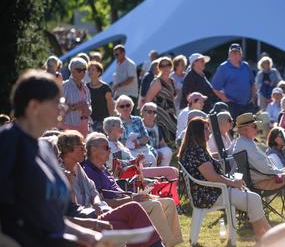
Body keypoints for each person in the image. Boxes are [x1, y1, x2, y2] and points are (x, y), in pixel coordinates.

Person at [0, 70, 102, 246]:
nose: (62, 108)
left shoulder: (46, 148)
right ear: (34, 106)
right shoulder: (7, 144)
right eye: (57, 103)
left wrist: (84, 234)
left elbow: (51, 221)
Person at [56, 130, 165, 247]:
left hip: (96, 212)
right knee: (133, 209)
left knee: (130, 219)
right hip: (85, 219)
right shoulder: (60, 173)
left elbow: (93, 191)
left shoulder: (77, 167)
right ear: (68, 149)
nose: (85, 150)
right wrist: (69, 186)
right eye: (81, 147)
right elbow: (70, 209)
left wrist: (97, 203)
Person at [82, 132, 183, 247]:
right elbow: (104, 201)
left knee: (168, 202)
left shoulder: (103, 168)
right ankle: (161, 243)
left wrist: (136, 196)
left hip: (127, 201)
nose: (110, 151)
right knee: (154, 206)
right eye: (106, 148)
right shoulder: (89, 172)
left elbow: (119, 191)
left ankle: (171, 243)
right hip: (117, 208)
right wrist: (132, 199)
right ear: (93, 150)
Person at [178, 117, 271, 240]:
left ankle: (264, 234)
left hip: (211, 191)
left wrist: (232, 181)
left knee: (252, 197)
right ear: (198, 132)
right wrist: (232, 183)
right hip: (209, 195)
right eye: (206, 129)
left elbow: (212, 175)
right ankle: (267, 234)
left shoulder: (194, 149)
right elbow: (211, 177)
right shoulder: (195, 151)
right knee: (254, 199)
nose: (209, 132)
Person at [102, 117, 178, 180]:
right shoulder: (109, 145)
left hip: (136, 172)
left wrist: (138, 160)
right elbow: (115, 165)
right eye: (119, 125)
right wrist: (136, 160)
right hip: (129, 175)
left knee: (174, 170)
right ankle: (170, 194)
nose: (123, 128)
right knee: (171, 171)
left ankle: (169, 193)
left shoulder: (118, 143)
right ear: (111, 128)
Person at [232, 113, 285, 190]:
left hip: (259, 179)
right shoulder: (246, 144)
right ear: (244, 130)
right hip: (262, 181)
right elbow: (263, 167)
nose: (257, 129)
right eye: (254, 126)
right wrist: (281, 172)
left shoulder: (244, 142)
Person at [212, 43, 256, 120]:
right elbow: (215, 88)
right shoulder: (223, 68)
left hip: (248, 105)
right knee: (232, 130)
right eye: (233, 53)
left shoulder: (246, 66)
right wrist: (226, 100)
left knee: (249, 129)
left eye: (237, 53)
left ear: (241, 54)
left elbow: (252, 84)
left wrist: (252, 98)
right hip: (232, 106)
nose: (235, 55)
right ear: (229, 54)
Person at [115, 95, 157, 166]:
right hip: (126, 151)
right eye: (122, 106)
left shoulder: (138, 120)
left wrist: (137, 142)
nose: (125, 108)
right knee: (135, 164)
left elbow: (146, 137)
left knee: (151, 159)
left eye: (128, 105)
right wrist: (130, 144)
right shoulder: (116, 122)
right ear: (117, 109)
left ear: (131, 107)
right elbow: (116, 141)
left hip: (142, 148)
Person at [143, 57, 177, 143]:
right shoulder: (157, 82)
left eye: (168, 65)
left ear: (171, 66)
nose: (165, 67)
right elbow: (147, 100)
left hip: (171, 114)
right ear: (159, 68)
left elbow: (172, 99)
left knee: (175, 137)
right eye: (163, 65)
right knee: (166, 139)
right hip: (160, 116)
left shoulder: (172, 81)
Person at [63, 57, 92, 137]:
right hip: (69, 126)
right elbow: (59, 109)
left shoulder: (85, 87)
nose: (82, 72)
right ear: (72, 71)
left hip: (84, 125)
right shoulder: (65, 86)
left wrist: (88, 109)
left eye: (84, 70)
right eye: (79, 70)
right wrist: (76, 106)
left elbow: (89, 106)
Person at [141, 102, 173, 166]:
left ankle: (163, 172)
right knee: (152, 154)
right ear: (143, 112)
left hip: (156, 149)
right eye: (149, 112)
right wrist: (156, 153)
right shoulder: (138, 125)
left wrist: (161, 152)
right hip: (144, 151)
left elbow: (162, 144)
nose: (152, 114)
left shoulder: (157, 126)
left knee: (167, 151)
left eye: (154, 112)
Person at [87, 61, 114, 132]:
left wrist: (111, 121)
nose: (90, 71)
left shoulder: (105, 88)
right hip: (89, 121)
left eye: (93, 69)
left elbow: (110, 105)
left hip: (102, 122)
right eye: (89, 69)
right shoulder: (85, 87)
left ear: (99, 72)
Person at [112, 45, 139, 112]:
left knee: (130, 117)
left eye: (117, 54)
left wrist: (118, 85)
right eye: (115, 55)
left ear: (123, 53)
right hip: (120, 94)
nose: (116, 56)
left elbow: (130, 79)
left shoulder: (130, 64)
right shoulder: (118, 64)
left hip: (130, 95)